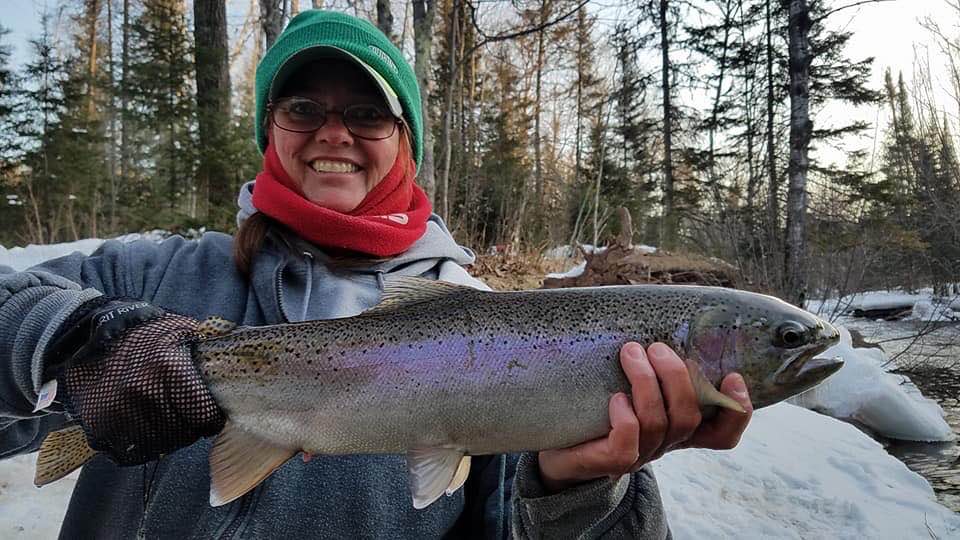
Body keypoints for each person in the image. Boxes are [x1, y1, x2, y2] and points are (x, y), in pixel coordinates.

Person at [0, 10, 752, 539]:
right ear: (272, 131)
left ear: (406, 139)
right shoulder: (150, 275)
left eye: (368, 112)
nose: (335, 133)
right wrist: (76, 336)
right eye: (303, 108)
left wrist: (579, 492)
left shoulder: (508, 338)